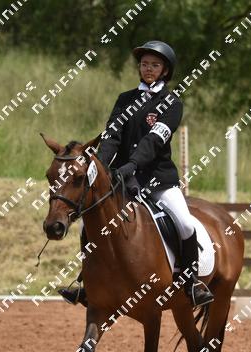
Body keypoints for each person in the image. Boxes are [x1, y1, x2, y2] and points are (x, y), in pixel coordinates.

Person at [58, 40, 214, 308]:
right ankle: (88, 283)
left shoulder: (172, 103)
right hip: (122, 179)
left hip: (159, 180)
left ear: (165, 70)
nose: (148, 69)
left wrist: (132, 163)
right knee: (88, 224)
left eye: (154, 65)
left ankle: (191, 283)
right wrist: (101, 166)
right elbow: (111, 137)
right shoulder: (125, 99)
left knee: (185, 224)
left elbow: (154, 140)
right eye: (144, 64)